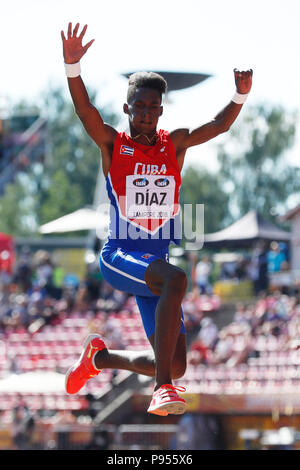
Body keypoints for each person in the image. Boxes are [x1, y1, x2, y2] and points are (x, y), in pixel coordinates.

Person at [61, 22, 253, 416]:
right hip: (120, 257)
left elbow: (218, 126)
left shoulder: (175, 144)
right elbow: (85, 112)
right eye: (139, 106)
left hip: (155, 269)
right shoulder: (115, 144)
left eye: (153, 107)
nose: (146, 114)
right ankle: (162, 388)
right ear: (127, 107)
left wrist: (239, 94)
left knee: (176, 361)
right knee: (177, 280)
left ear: (161, 110)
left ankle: (99, 360)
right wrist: (72, 68)